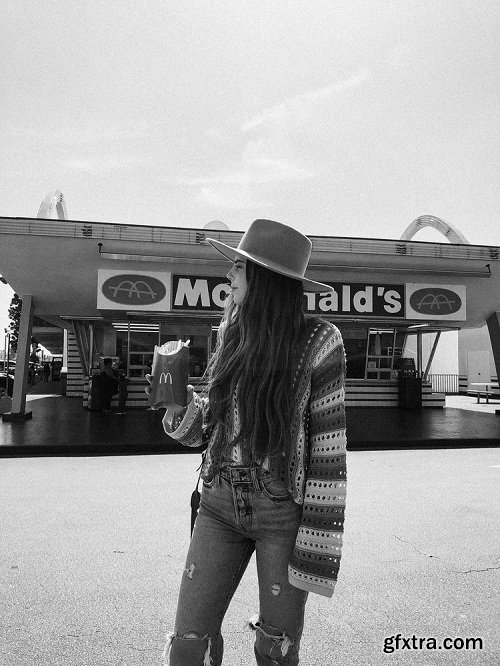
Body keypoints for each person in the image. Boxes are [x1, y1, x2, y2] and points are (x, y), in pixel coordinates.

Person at [149, 219, 347, 665]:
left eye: (238, 266)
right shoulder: (231, 332)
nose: (228, 274)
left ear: (265, 276)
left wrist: (318, 545)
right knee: (187, 647)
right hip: (218, 502)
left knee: (275, 650)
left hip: (282, 512)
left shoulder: (321, 341)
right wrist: (180, 408)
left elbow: (329, 449)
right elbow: (211, 427)